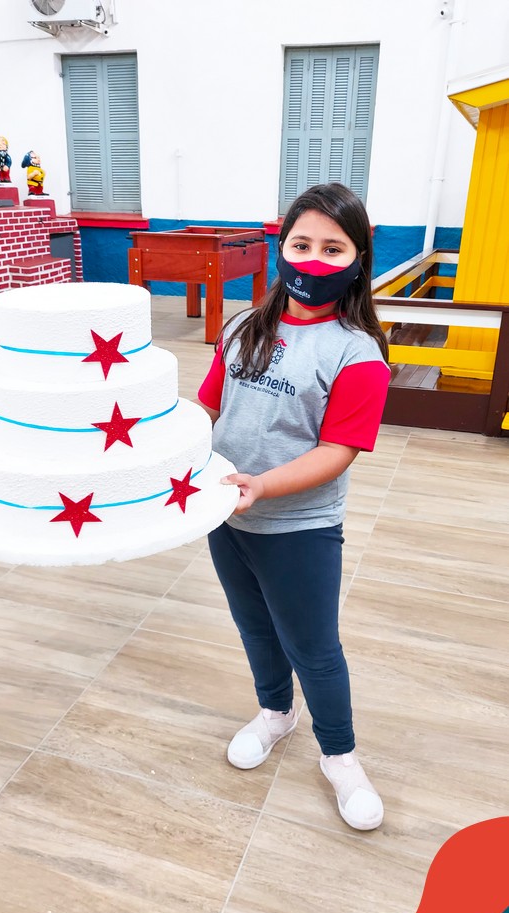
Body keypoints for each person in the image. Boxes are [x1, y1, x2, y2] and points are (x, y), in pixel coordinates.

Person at [197, 183, 391, 832]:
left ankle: (339, 755)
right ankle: (276, 713)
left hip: (299, 529)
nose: (313, 259)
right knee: (255, 628)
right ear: (280, 249)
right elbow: (208, 409)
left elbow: (338, 451)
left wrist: (263, 486)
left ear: (358, 261)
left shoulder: (357, 354)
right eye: (301, 243)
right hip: (225, 517)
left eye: (333, 248)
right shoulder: (241, 328)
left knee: (314, 648)